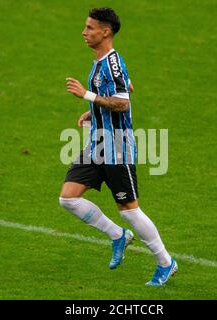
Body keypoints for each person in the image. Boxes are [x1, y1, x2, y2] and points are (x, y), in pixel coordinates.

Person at [60, 7, 177, 286]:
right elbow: (127, 88)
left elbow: (124, 101)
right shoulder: (101, 61)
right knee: (68, 198)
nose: (84, 32)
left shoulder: (111, 62)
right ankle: (117, 235)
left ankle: (166, 262)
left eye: (90, 28)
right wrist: (94, 111)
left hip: (118, 147)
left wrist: (87, 95)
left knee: (129, 210)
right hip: (97, 142)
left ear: (106, 31)